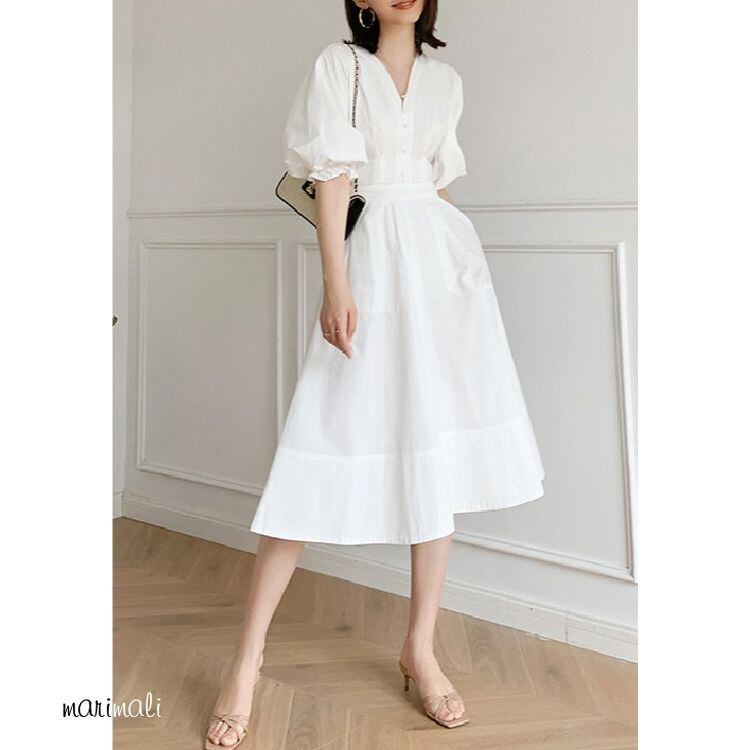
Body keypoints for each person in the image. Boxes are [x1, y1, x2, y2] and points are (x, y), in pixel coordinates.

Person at [205, 1, 545, 747]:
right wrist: (336, 283)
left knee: (437, 452)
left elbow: (438, 186)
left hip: (442, 272)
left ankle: (420, 649)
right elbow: (332, 177)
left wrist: (465, 270)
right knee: (315, 446)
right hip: (369, 268)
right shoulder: (340, 66)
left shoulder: (447, 81)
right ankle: (246, 661)